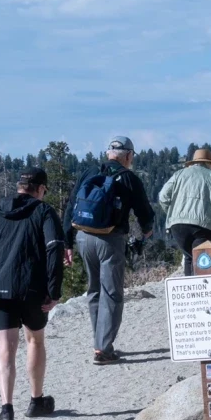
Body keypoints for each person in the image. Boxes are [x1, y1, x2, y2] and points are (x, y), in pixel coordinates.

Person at [0, 167, 66, 420]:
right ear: (40, 189)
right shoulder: (44, 211)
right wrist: (54, 290)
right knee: (35, 339)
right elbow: (54, 250)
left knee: (5, 348)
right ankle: (36, 401)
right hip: (32, 288)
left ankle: (6, 411)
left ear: (19, 186)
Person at [70, 136, 156, 365]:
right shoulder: (128, 178)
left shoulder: (89, 173)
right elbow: (144, 213)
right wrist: (147, 231)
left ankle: (99, 342)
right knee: (112, 293)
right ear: (128, 155)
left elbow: (71, 206)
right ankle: (103, 349)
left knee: (94, 290)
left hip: (83, 237)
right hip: (110, 239)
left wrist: (66, 242)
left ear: (108, 153)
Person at [157, 146, 211, 277]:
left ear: (193, 162)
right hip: (205, 226)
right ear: (210, 164)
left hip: (178, 225)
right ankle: (203, 291)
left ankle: (191, 291)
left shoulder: (178, 175)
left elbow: (163, 197)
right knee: (203, 259)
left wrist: (173, 214)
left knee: (189, 257)